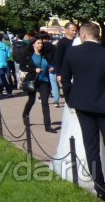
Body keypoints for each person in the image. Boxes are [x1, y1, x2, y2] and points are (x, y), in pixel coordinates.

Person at [60, 23, 105, 198]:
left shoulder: (72, 53)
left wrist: (69, 99)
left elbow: (64, 80)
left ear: (83, 36)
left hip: (83, 104)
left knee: (91, 146)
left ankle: (100, 187)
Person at [20, 36, 56, 133]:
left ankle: (48, 126)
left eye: (41, 43)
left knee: (45, 102)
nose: (40, 45)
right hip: (33, 80)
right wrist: (34, 69)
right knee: (31, 100)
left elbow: (50, 63)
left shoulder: (44, 55)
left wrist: (51, 68)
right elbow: (22, 67)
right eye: (38, 43)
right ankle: (25, 114)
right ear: (33, 44)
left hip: (44, 81)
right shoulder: (28, 55)